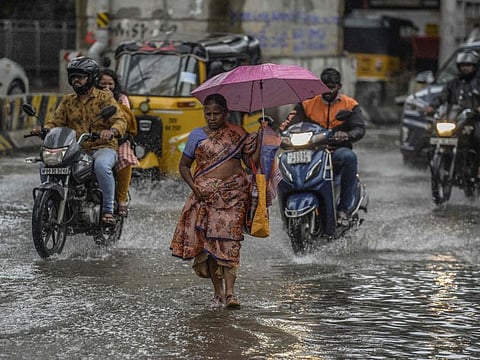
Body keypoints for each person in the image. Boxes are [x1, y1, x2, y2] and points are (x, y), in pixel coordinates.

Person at [170, 93, 260, 309]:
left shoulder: (238, 134)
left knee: (230, 244)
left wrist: (262, 140)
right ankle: (218, 293)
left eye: (216, 114)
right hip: (205, 198)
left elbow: (251, 164)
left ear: (225, 113)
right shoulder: (196, 136)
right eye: (208, 113)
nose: (212, 117)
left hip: (234, 197)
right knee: (209, 246)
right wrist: (195, 188)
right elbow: (184, 166)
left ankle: (231, 294)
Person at [32, 56, 126, 225]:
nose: (76, 80)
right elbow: (56, 122)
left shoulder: (105, 98)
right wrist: (44, 129)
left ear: (91, 78)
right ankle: (50, 204)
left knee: (101, 166)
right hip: (75, 149)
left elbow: (120, 120)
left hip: (102, 146)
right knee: (45, 164)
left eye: (80, 77)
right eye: (73, 77)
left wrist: (111, 131)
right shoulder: (68, 100)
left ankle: (108, 210)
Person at [280, 67, 366, 225]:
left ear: (339, 86)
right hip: (310, 150)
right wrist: (277, 133)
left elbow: (359, 128)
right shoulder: (306, 103)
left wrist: (347, 135)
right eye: (324, 86)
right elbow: (289, 122)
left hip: (335, 150)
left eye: (332, 86)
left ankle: (343, 209)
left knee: (349, 157)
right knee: (283, 159)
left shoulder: (350, 104)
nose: (328, 90)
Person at [423, 49, 480, 161]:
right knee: (428, 134)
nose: (465, 68)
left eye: (468, 65)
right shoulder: (453, 84)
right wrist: (432, 106)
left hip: (474, 120)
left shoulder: (478, 83)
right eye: (462, 65)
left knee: (478, 136)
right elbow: (442, 96)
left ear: (475, 66)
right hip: (455, 120)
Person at [97, 68, 139, 217]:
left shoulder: (121, 99)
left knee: (124, 157)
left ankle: (121, 199)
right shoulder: (90, 97)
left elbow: (125, 120)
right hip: (94, 139)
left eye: (110, 84)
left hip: (119, 139)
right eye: (103, 84)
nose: (107, 87)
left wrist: (110, 100)